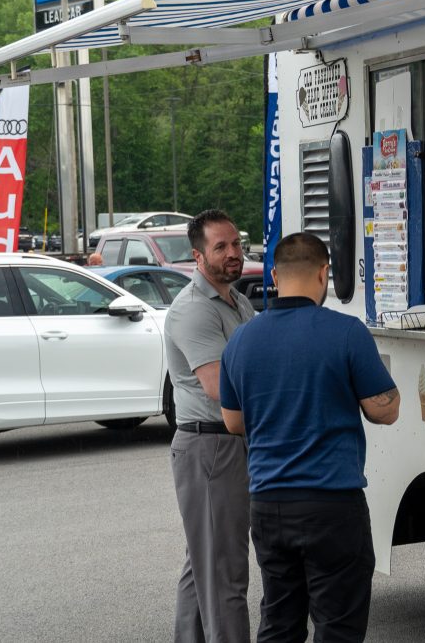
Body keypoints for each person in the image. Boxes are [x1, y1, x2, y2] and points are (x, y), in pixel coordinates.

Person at [220, 232, 400, 642]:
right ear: (324, 273)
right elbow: (381, 409)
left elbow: (232, 421)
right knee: (337, 626)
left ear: (274, 276)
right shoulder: (347, 332)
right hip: (332, 505)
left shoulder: (242, 339)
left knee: (280, 622)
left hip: (268, 505)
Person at [164, 209, 254, 643]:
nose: (233, 253)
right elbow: (221, 387)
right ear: (198, 258)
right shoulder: (195, 310)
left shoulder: (238, 301)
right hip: (211, 450)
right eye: (221, 247)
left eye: (235, 243)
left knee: (202, 565)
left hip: (226, 447)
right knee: (225, 577)